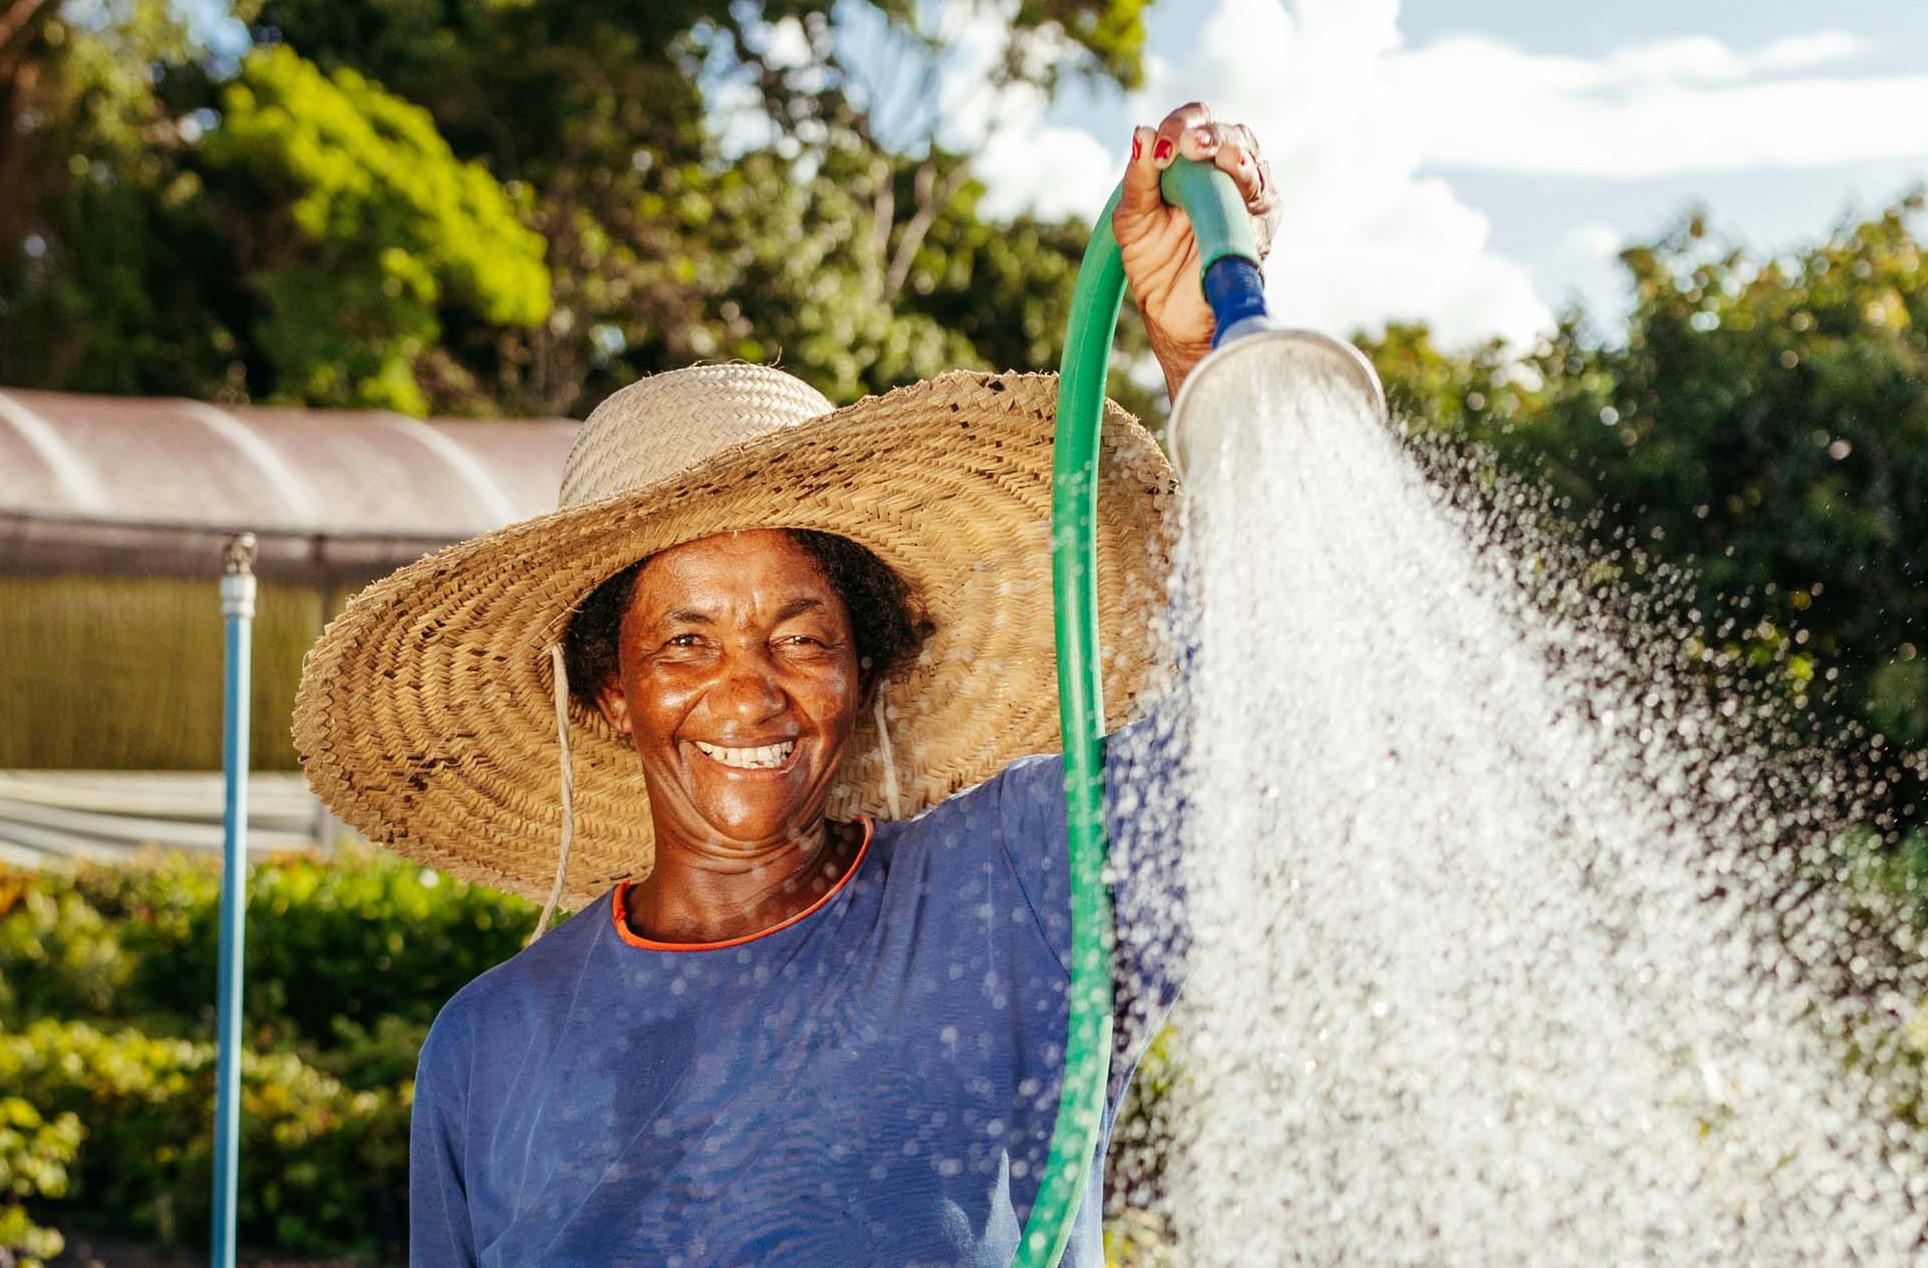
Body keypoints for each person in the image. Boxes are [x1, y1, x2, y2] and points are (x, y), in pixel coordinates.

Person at [293, 103, 1279, 1267]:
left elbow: (1260, 726)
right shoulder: (490, 1043)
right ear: (610, 689)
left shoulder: (1013, 892)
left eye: (800, 636)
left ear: (862, 669)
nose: (747, 690)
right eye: (686, 642)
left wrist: (1199, 364)